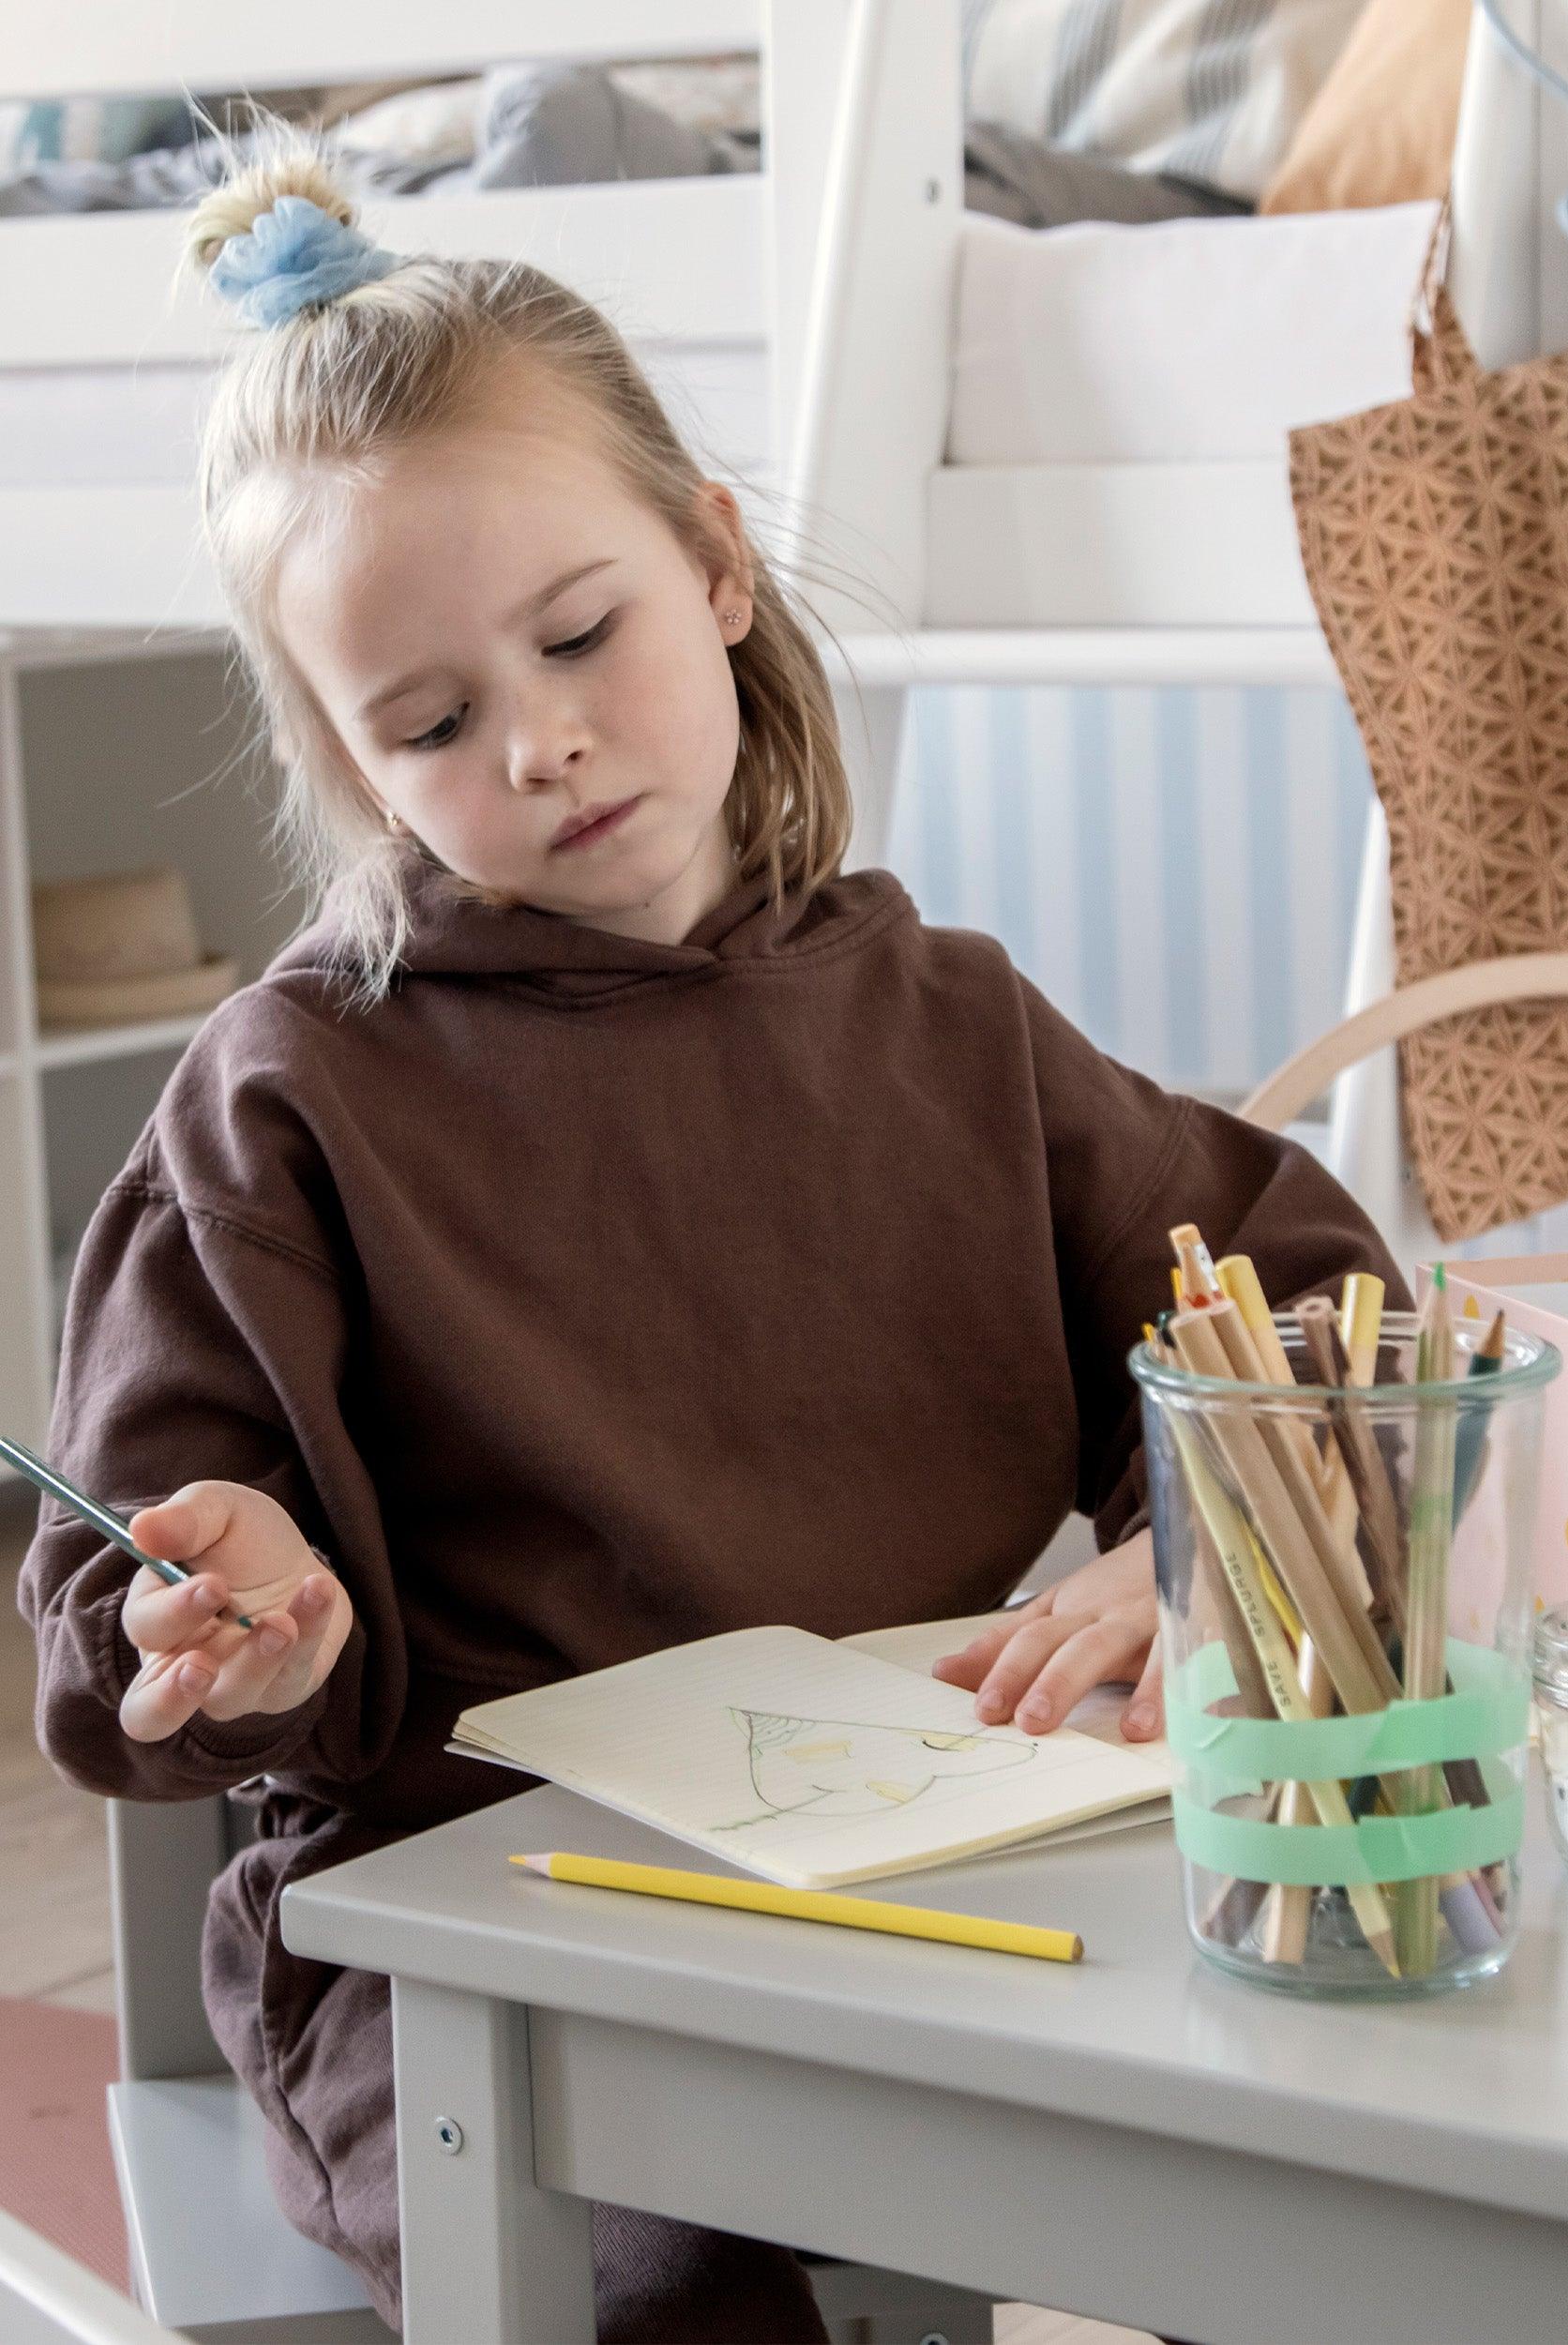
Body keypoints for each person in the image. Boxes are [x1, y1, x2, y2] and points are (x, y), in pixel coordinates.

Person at [18, 151, 1398, 2342]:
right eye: (431, 721)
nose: (541, 738)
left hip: (923, 1874)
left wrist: (1203, 1536)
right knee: (666, 2282)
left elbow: (1309, 1301)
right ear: (357, 771)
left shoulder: (946, 1022)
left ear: (717, 566)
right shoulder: (285, 1095)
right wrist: (241, 1623)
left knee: (1334, 2142)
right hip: (461, 1949)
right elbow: (125, 1617)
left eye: (579, 636)